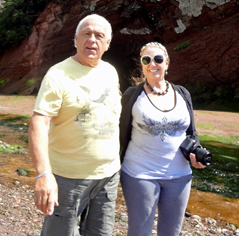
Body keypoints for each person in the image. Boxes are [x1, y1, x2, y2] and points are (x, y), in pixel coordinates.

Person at [28, 14, 121, 236]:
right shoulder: (57, 74)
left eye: (99, 36)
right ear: (75, 39)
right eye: (86, 34)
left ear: (107, 44)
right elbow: (39, 122)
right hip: (67, 178)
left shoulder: (110, 71)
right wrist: (43, 174)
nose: (92, 40)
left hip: (108, 176)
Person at [119, 42, 206, 236]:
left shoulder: (183, 94)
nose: (153, 64)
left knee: (171, 233)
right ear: (142, 65)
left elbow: (191, 133)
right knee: (139, 232)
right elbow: (120, 132)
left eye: (158, 59)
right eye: (146, 60)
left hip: (180, 176)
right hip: (139, 173)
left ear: (167, 63)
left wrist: (196, 152)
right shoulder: (132, 96)